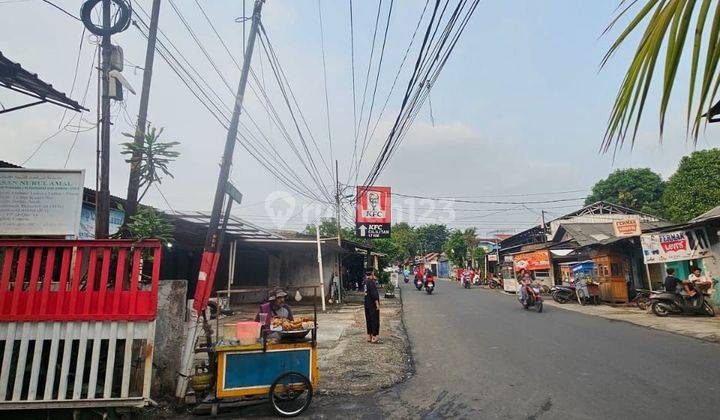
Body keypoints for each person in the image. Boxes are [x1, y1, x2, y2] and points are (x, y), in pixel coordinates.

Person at [364, 271, 381, 344]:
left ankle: (369, 335)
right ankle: (374, 336)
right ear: (372, 274)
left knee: (368, 319)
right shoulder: (371, 282)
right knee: (375, 320)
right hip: (372, 304)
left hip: (366, 303)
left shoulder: (365, 282)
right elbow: (374, 294)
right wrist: (377, 304)